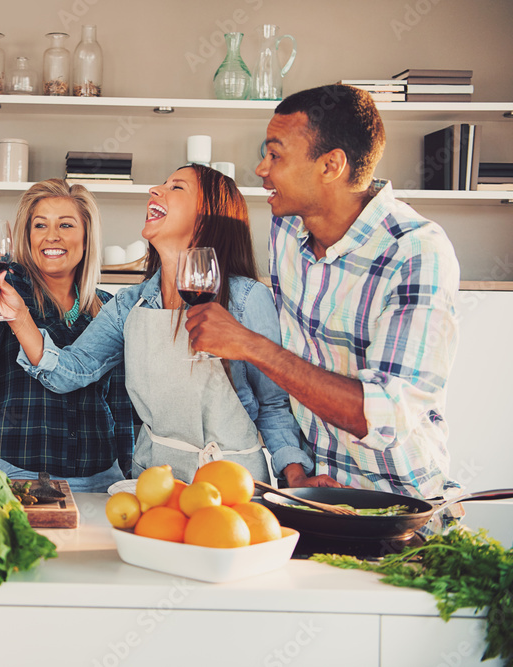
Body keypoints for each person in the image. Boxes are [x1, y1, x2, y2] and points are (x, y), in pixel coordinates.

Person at [185, 84, 462, 505]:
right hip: (311, 494)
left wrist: (248, 345)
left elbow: (383, 416)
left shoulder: (415, 251)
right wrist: (294, 471)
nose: (261, 168)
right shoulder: (288, 227)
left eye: (275, 155)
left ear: (331, 165)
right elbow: (285, 387)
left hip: (396, 503)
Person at [0, 165, 312, 484]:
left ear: (206, 215)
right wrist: (19, 316)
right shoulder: (130, 304)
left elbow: (273, 405)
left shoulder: (246, 299)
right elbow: (71, 370)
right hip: (158, 483)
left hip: (231, 483)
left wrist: (296, 475)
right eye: (162, 183)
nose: (155, 190)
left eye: (176, 187)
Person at [0, 180, 134, 493]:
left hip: (103, 477)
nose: (52, 236)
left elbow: (120, 404)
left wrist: (128, 477)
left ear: (87, 237)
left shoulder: (108, 307)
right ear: (28, 235)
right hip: (23, 477)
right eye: (40, 225)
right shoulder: (3, 298)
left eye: (66, 224)